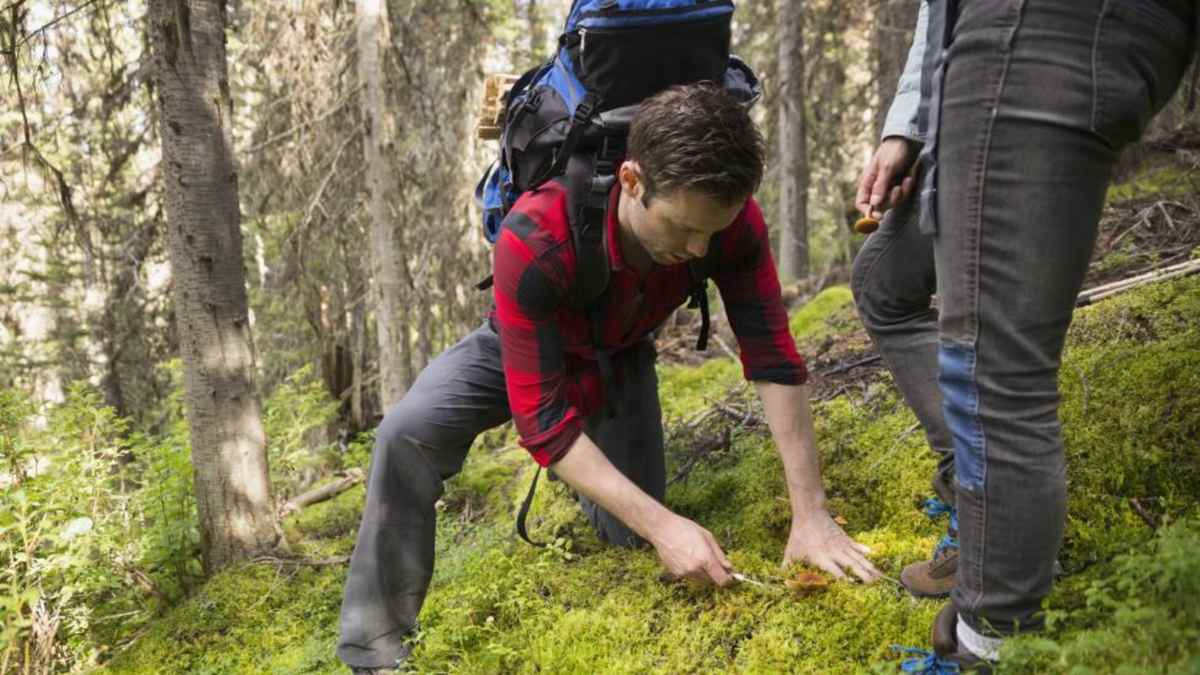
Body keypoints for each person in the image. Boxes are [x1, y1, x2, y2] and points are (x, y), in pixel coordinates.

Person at [337, 82, 881, 674]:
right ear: (632, 181)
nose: (699, 247)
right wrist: (667, 527)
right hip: (524, 348)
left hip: (619, 355)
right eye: (682, 228)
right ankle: (374, 650)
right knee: (407, 432)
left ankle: (582, 472)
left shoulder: (728, 222)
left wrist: (811, 513)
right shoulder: (535, 235)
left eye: (712, 231)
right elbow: (542, 424)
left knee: (631, 538)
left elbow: (773, 356)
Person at [851, 0, 1196, 669]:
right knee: (883, 281)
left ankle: (992, 638)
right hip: (997, 41)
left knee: (996, 372)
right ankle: (986, 515)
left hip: (1034, 30)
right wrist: (908, 126)